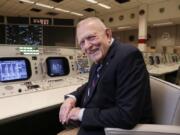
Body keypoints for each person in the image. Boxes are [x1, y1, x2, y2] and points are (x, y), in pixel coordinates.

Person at [58, 17, 153, 135]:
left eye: (91, 37)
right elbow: (91, 85)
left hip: (113, 130)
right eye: (82, 42)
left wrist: (81, 114)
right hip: (98, 123)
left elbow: (127, 116)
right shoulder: (100, 59)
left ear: (108, 35)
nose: (87, 46)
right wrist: (72, 98)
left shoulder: (128, 56)